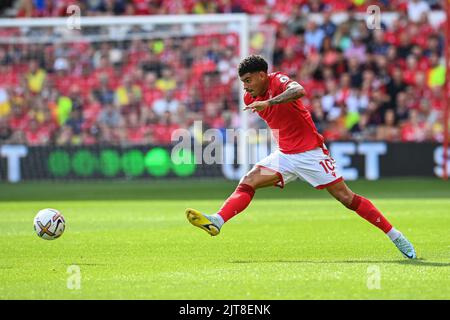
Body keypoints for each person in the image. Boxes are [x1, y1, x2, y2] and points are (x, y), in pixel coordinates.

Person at [186, 55, 416, 259]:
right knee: (248, 181)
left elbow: (299, 91)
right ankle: (217, 220)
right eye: (242, 82)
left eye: (248, 81)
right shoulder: (250, 98)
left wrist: (271, 101)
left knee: (347, 198)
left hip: (310, 153)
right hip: (285, 155)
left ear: (262, 75)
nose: (245, 88)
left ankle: (395, 235)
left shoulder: (278, 81)